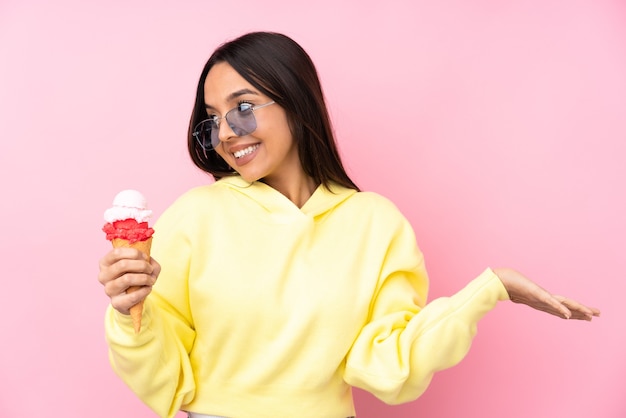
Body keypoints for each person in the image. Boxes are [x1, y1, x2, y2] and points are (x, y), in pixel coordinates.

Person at [98, 31, 600, 418]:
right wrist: (129, 312)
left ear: (295, 101)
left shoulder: (375, 223)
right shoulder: (195, 216)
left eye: (243, 109)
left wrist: (491, 289)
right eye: (213, 118)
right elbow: (166, 376)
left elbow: (388, 367)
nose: (226, 133)